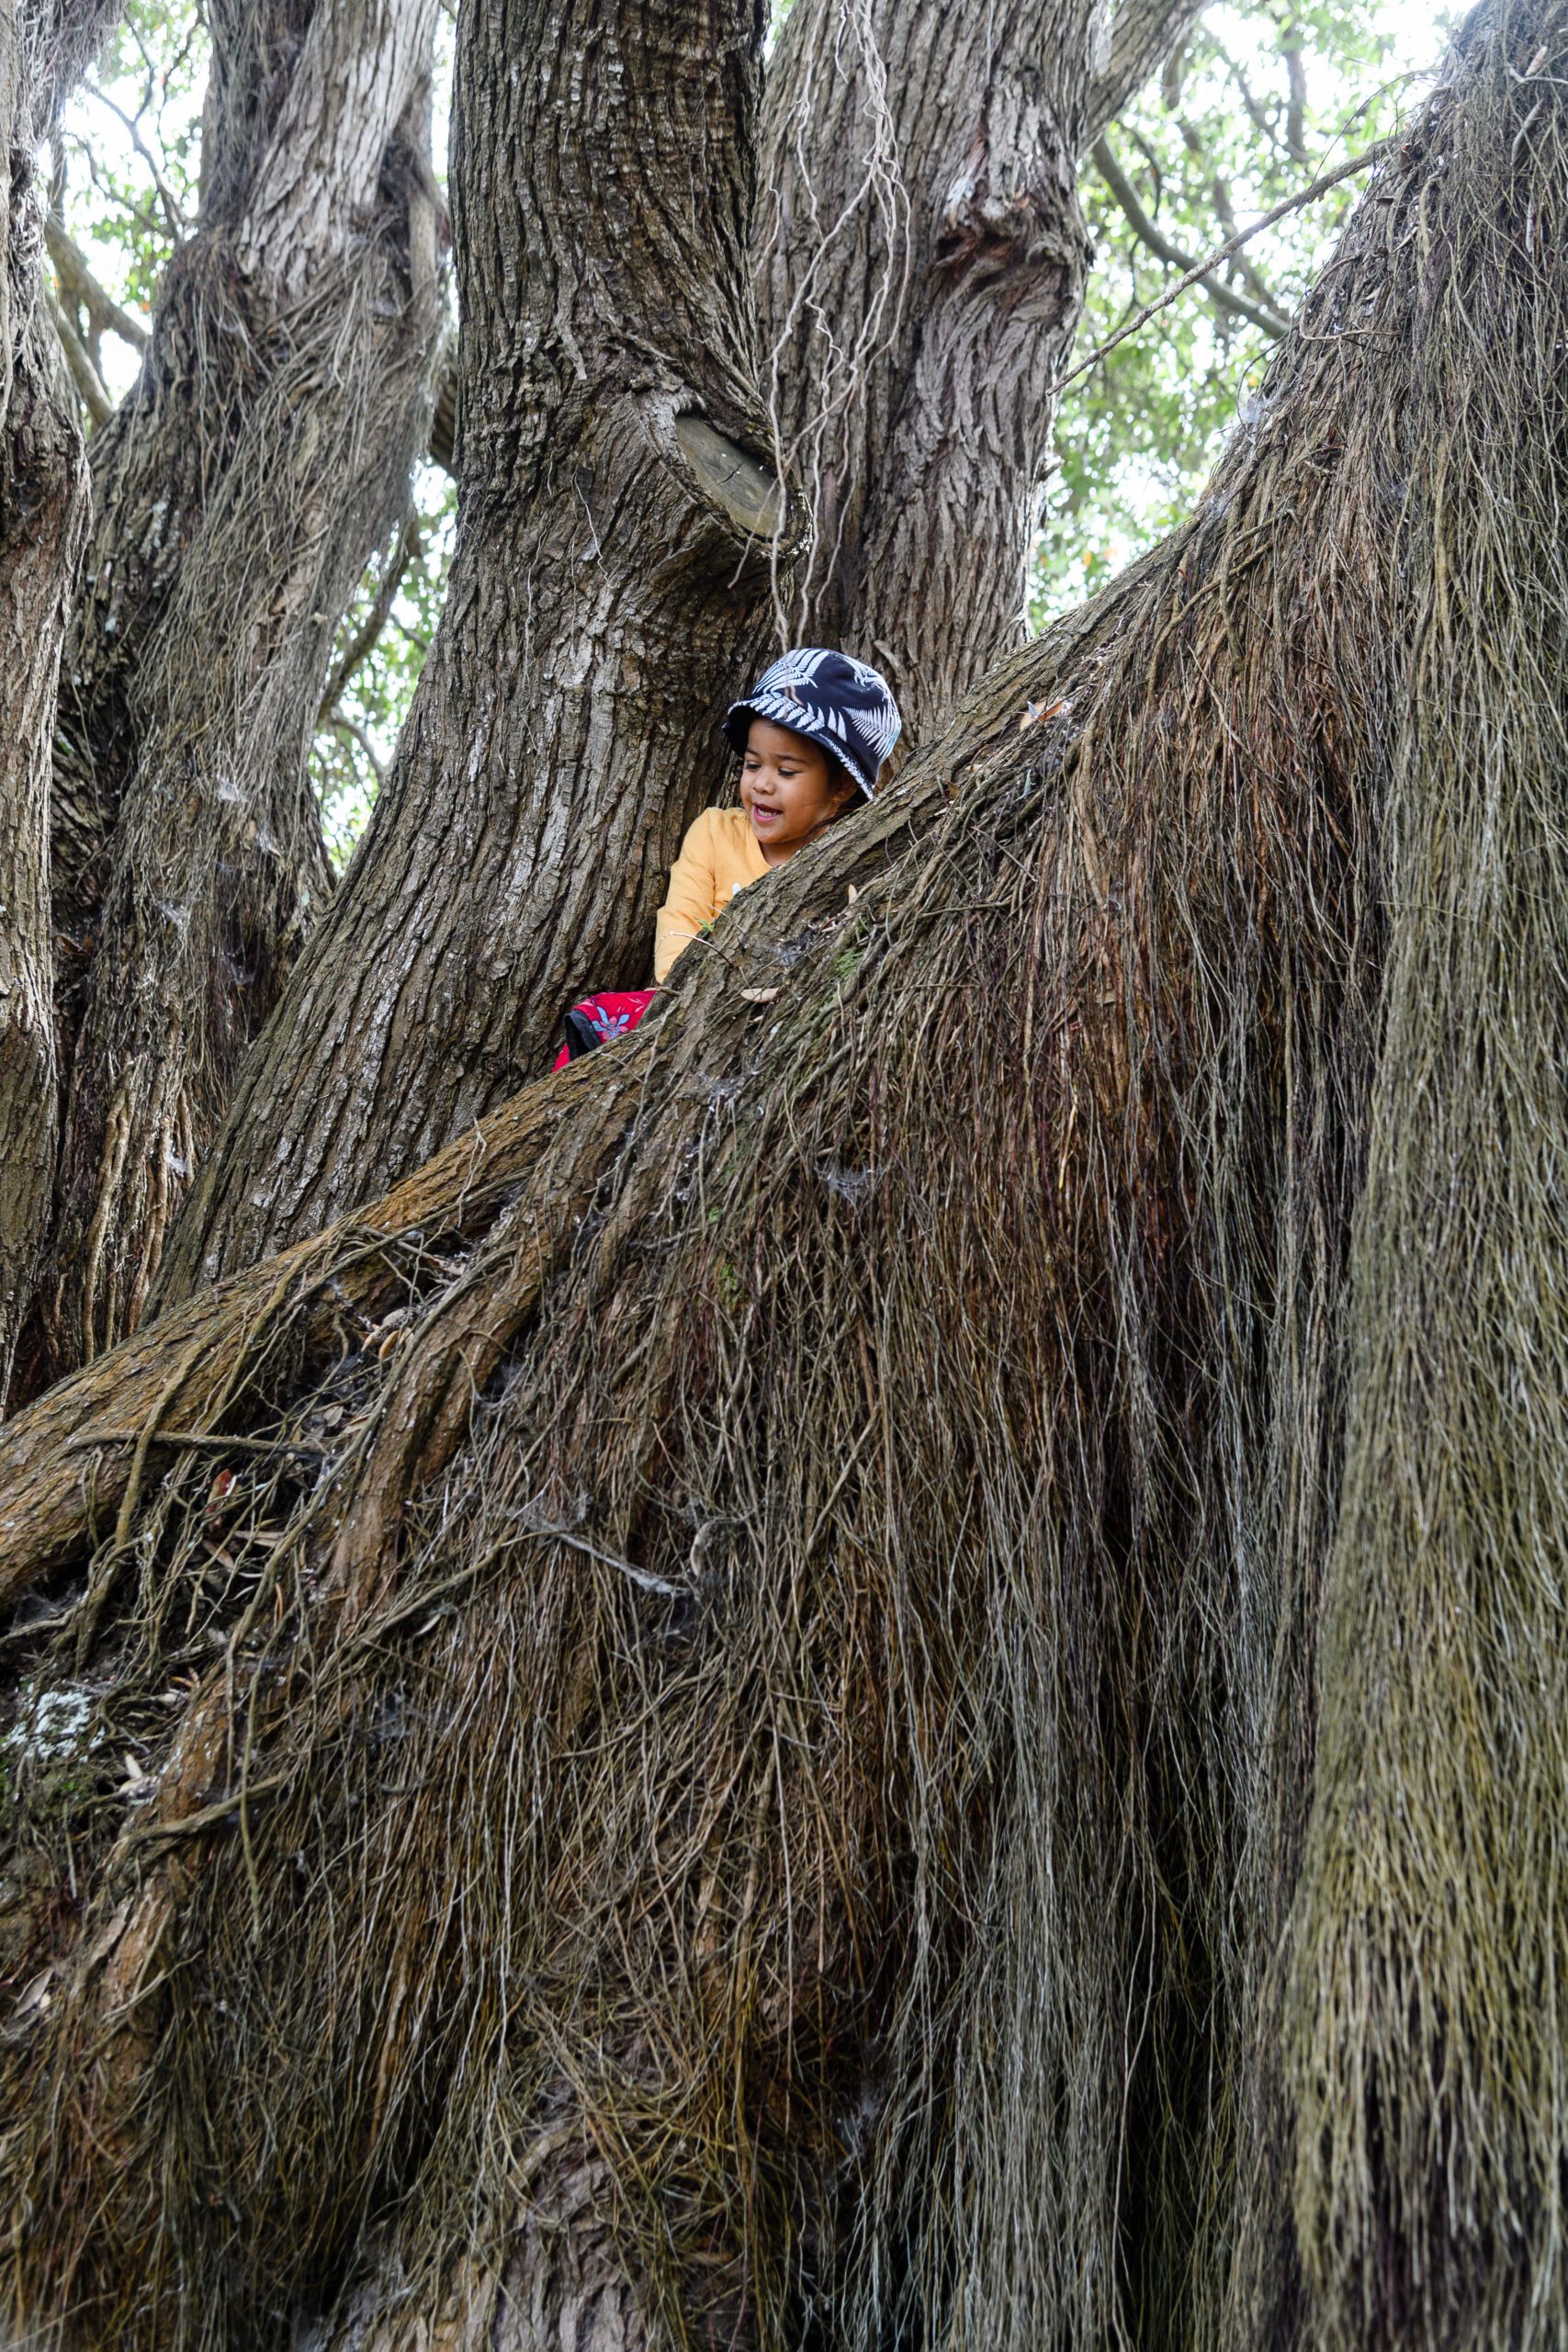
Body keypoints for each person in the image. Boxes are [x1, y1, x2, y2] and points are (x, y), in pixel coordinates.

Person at [555, 648, 901, 1064]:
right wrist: (686, 993)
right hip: (684, 1004)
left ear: (842, 786)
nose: (762, 785)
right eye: (753, 764)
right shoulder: (716, 834)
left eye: (786, 772)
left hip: (781, 1027)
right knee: (598, 1022)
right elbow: (679, 920)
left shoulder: (850, 858)